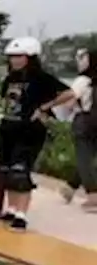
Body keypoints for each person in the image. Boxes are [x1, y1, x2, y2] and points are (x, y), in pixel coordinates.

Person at [0, 37, 77, 229]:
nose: (14, 61)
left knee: (21, 171)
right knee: (6, 170)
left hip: (30, 131)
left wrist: (44, 107)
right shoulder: (10, 78)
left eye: (19, 57)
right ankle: (11, 209)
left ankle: (22, 213)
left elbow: (69, 93)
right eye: (12, 57)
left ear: (30, 58)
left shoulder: (41, 78)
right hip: (8, 128)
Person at [60, 47, 96, 211]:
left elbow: (69, 100)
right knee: (88, 156)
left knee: (84, 157)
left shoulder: (83, 80)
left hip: (85, 121)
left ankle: (93, 196)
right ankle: (70, 187)